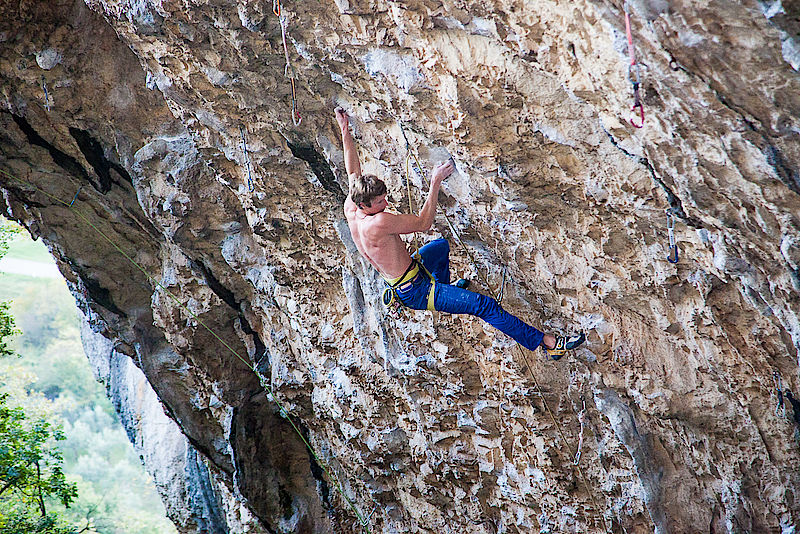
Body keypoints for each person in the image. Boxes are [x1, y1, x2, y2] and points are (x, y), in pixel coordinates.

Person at [335, 108, 585, 359]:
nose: (386, 203)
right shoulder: (377, 223)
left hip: (407, 275)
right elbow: (423, 223)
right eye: (380, 202)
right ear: (366, 206)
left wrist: (345, 130)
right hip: (416, 290)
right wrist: (435, 182)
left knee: (441, 247)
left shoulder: (352, 204)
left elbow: (352, 170)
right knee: (482, 305)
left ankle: (447, 291)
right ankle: (549, 343)